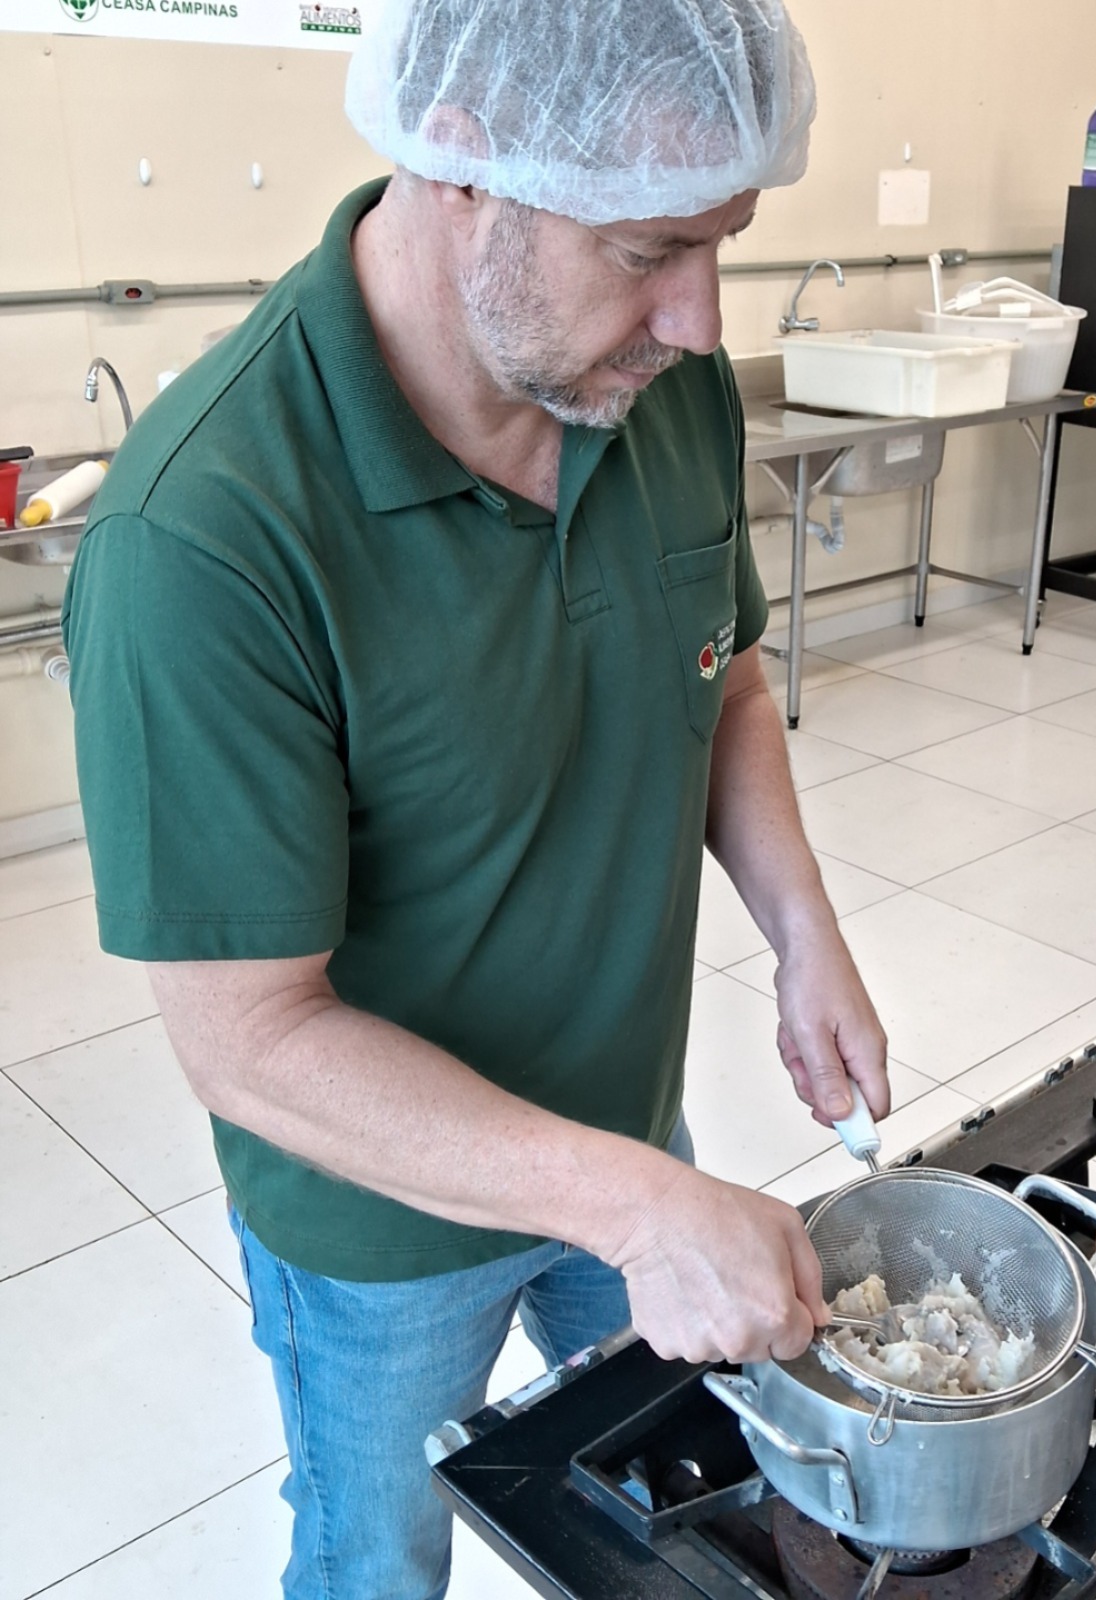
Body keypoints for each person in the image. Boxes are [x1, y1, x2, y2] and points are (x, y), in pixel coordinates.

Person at [60, 2, 889, 1595]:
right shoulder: (206, 540)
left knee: (688, 1524)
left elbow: (722, 680)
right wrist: (637, 1210)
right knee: (378, 1563)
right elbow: (249, 1038)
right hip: (382, 1230)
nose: (702, 317)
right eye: (651, 246)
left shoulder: (659, 391)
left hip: (637, 1133)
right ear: (461, 176)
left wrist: (803, 931)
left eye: (726, 239)